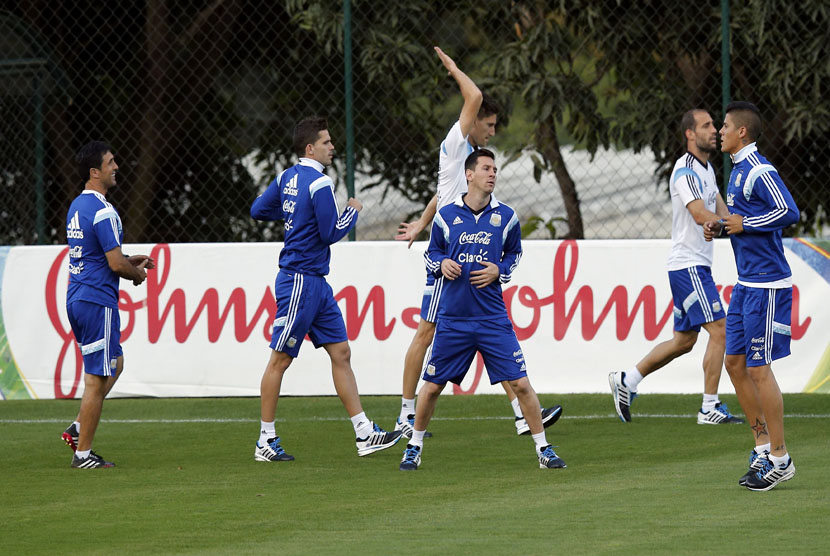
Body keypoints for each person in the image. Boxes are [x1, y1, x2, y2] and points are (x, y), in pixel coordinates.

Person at [395, 46, 562, 437]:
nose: (492, 131)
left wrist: (421, 221)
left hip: (462, 254)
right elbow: (473, 97)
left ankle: (520, 412)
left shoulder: (468, 161)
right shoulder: (456, 146)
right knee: (427, 331)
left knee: (485, 328)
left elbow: (441, 193)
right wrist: (453, 68)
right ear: (473, 124)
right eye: (489, 125)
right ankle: (406, 415)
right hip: (450, 258)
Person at [399, 149, 566, 471]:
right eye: (486, 168)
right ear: (470, 175)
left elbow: (515, 253)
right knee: (432, 386)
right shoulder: (446, 215)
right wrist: (442, 263)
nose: (492, 174)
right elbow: (431, 253)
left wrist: (499, 271)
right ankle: (414, 446)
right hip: (454, 319)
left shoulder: (506, 216)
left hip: (492, 318)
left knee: (521, 384)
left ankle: (544, 449)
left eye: (495, 170)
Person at [250, 116, 402, 461]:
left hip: (316, 282)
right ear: (310, 148)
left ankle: (364, 433)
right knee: (280, 359)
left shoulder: (287, 177)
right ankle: (265, 440)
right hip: (301, 281)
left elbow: (258, 210)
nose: (332, 147)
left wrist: (293, 214)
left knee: (341, 353)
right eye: (326, 142)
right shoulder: (319, 183)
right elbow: (332, 232)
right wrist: (352, 211)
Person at [609, 109, 743, 425]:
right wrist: (718, 223)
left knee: (684, 341)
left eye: (714, 125)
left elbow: (723, 214)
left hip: (696, 266)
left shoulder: (707, 170)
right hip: (689, 266)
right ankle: (709, 406)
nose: (714, 130)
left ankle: (628, 380)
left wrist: (733, 223)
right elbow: (700, 214)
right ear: (689, 134)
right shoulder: (685, 171)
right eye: (707, 126)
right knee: (721, 330)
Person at [703, 101, 799, 491]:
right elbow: (744, 224)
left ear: (742, 131)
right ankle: (761, 447)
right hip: (746, 284)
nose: (720, 132)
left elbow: (788, 211)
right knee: (736, 364)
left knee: (759, 369)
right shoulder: (738, 172)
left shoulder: (759, 169)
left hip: (768, 285)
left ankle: (781, 457)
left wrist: (743, 224)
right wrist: (722, 227)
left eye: (724, 126)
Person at [63, 141, 154, 468]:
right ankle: (83, 454)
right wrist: (135, 274)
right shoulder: (103, 211)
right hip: (96, 300)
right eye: (110, 162)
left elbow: (97, 257)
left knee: (115, 363)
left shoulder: (77, 206)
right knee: (97, 378)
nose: (116, 166)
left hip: (78, 296)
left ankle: (77, 428)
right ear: (94, 172)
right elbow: (114, 264)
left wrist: (130, 261)